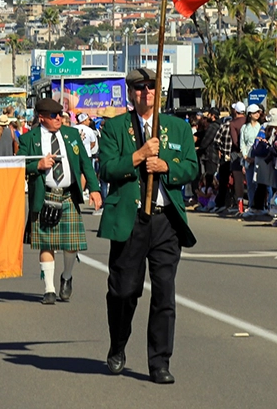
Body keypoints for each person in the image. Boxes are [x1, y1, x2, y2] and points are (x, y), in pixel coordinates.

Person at [98, 67, 198, 385]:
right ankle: (118, 344)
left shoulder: (177, 127)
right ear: (130, 93)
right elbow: (108, 169)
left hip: (165, 221)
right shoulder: (115, 127)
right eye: (139, 88)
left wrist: (166, 165)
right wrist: (139, 156)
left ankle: (159, 362)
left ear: (159, 92)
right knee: (124, 291)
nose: (146, 93)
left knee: (165, 293)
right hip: (131, 218)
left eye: (152, 87)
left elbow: (192, 167)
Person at [19, 98, 102, 305]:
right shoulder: (29, 139)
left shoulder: (71, 135)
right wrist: (37, 164)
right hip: (44, 195)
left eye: (60, 115)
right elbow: (19, 165)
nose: (59, 119)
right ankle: (49, 288)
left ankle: (66, 276)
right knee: (46, 244)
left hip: (67, 195)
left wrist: (95, 189)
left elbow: (85, 163)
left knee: (71, 244)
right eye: (54, 116)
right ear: (41, 118)